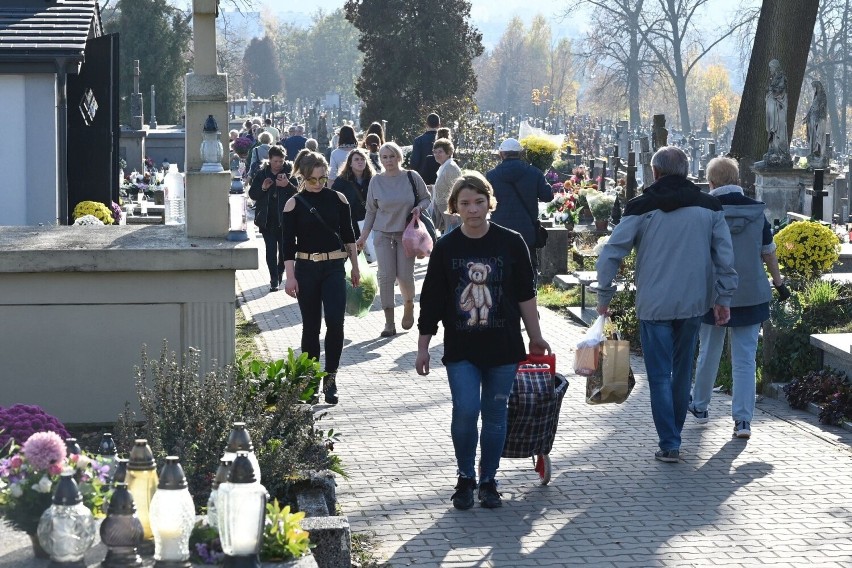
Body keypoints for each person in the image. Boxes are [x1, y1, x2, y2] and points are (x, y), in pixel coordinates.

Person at [415, 171, 551, 510]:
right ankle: (465, 477)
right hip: (462, 347)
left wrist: (535, 337)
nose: (473, 210)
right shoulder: (446, 247)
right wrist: (422, 345)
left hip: (503, 345)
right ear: (454, 208)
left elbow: (525, 293)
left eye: (478, 202)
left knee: (495, 414)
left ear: (490, 203)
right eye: (465, 203)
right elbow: (432, 297)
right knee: (466, 410)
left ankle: (489, 479)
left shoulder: (511, 242)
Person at [595, 146, 737, 463]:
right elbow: (725, 258)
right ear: (686, 172)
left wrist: (604, 295)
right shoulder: (709, 206)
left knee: (659, 375)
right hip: (692, 303)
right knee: (682, 370)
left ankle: (670, 442)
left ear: (656, 173)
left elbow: (610, 253)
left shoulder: (641, 207)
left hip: (654, 304)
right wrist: (723, 297)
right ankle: (673, 435)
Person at [689, 157, 789, 439]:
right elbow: (768, 251)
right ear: (738, 181)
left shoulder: (704, 210)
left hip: (713, 292)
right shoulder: (758, 213)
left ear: (711, 182)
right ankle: (743, 421)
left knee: (709, 350)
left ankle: (700, 406)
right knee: (745, 358)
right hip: (751, 292)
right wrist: (779, 284)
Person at [282, 150, 360, 405]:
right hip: (306, 269)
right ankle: (309, 381)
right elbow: (286, 245)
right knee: (311, 326)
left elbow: (349, 236)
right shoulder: (293, 203)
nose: (318, 184)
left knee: (336, 323)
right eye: (313, 179)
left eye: (322, 179)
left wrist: (356, 268)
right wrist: (290, 277)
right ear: (303, 177)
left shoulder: (338, 199)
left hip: (334, 267)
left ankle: (331, 379)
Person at [355, 141, 430, 337]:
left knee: (405, 276)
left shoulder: (411, 177)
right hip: (382, 234)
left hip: (407, 234)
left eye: (391, 156)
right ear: (380, 160)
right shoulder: (376, 181)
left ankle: (408, 304)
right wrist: (363, 237)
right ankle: (389, 322)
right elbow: (371, 211)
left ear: (399, 157)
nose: (388, 160)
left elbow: (426, 198)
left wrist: (419, 208)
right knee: (386, 277)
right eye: (384, 157)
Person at [485, 138, 553, 268]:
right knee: (528, 269)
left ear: (501, 154)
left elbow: (485, 202)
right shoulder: (534, 173)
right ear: (521, 153)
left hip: (500, 231)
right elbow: (547, 196)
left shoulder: (491, 176)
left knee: (502, 271)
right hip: (527, 232)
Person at [248, 145, 297, 292]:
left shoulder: (289, 173)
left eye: (281, 161)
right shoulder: (262, 174)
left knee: (283, 250)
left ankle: (280, 271)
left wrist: (287, 185)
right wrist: (263, 187)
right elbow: (252, 195)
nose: (278, 165)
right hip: (267, 220)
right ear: (269, 160)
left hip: (285, 220)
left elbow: (299, 192)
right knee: (270, 250)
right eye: (275, 161)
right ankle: (273, 279)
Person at [332, 148, 378, 262]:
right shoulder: (341, 181)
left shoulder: (373, 180)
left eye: (362, 159)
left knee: (373, 254)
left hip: (370, 222)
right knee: (353, 255)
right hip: (351, 223)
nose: (360, 162)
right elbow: (334, 200)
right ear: (350, 163)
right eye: (356, 159)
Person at [763, 59, 792, 166]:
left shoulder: (782, 78)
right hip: (771, 107)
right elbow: (769, 90)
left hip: (778, 109)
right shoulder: (773, 79)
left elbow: (780, 92)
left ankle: (780, 151)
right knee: (772, 131)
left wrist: (771, 90)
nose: (770, 70)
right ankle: (773, 149)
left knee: (778, 130)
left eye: (771, 67)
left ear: (775, 67)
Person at [430, 137, 462, 233]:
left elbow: (457, 190)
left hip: (450, 211)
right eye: (435, 152)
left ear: (448, 153)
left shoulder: (451, 168)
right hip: (444, 211)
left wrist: (455, 213)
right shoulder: (444, 167)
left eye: (440, 152)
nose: (436, 154)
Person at [409, 112, 441, 185]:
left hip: (422, 177)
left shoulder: (418, 140)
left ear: (426, 125)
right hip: (440, 176)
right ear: (439, 125)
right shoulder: (444, 141)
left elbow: (415, 161)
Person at [805, 80, 828, 166]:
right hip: (813, 119)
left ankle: (818, 153)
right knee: (813, 137)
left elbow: (822, 108)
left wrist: (818, 116)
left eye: (814, 87)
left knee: (819, 137)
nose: (813, 90)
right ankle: (813, 152)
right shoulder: (815, 97)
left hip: (819, 119)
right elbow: (812, 108)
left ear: (818, 87)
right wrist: (807, 117)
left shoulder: (822, 96)